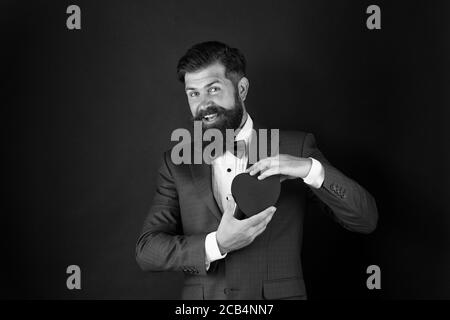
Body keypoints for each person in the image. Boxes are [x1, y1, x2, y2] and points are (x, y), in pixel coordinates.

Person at [135, 41, 378, 300]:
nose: (203, 104)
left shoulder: (295, 146)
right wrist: (217, 244)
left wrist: (310, 169)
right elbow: (147, 251)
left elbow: (365, 220)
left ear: (242, 88)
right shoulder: (177, 162)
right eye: (193, 93)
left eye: (213, 89)